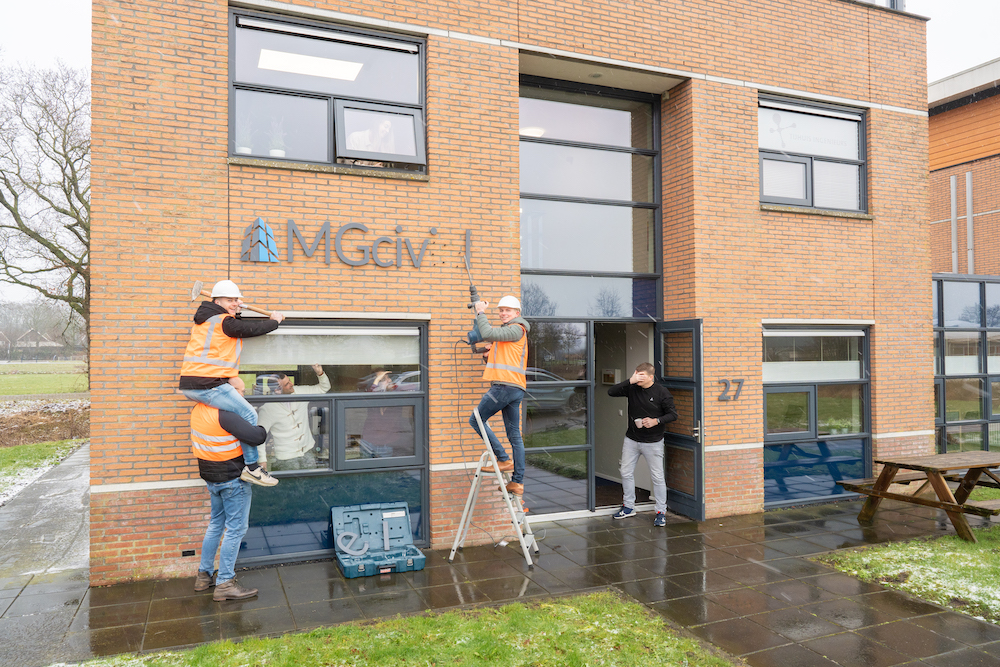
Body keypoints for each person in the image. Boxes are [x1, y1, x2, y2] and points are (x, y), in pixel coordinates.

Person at [179, 279, 284, 487]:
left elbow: (233, 327)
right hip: (208, 384)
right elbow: (248, 329)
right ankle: (252, 468)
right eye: (230, 300)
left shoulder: (207, 320)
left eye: (236, 299)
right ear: (217, 301)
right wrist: (275, 321)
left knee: (228, 415)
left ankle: (239, 457)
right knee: (249, 414)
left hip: (192, 384)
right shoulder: (223, 321)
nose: (235, 303)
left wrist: (236, 310)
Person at [190, 402, 267, 601]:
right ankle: (225, 583)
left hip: (212, 478)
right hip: (232, 480)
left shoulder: (198, 410)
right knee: (235, 529)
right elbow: (258, 436)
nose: (240, 396)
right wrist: (260, 426)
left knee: (216, 524)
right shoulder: (226, 415)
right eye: (237, 390)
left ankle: (203, 576)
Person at [468, 295, 531, 496]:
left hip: (504, 386)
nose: (503, 313)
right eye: (501, 310)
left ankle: (503, 459)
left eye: (507, 310)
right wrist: (488, 356)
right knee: (514, 436)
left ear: (517, 313)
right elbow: (501, 360)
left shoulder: (516, 329)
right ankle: (517, 483)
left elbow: (487, 332)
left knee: (476, 419)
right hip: (514, 387)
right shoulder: (507, 334)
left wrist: (480, 312)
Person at [608, 362, 678, 527]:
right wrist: (630, 381)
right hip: (631, 439)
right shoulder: (632, 388)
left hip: (653, 442)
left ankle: (660, 512)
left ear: (651, 377)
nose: (638, 379)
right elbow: (611, 392)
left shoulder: (661, 392)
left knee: (657, 477)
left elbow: (673, 414)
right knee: (625, 472)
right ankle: (628, 506)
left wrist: (656, 421)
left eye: (642, 376)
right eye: (637, 375)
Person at [256, 365, 331, 470]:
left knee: (311, 480)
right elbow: (260, 437)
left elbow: (324, 388)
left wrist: (320, 373)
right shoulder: (267, 409)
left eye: (289, 380)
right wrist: (262, 460)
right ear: (277, 390)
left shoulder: (299, 392)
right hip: (285, 459)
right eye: (287, 384)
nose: (292, 384)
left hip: (307, 451)